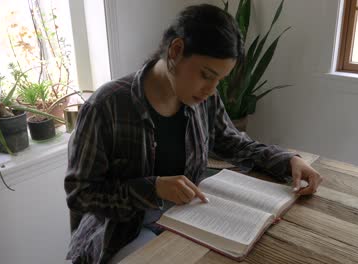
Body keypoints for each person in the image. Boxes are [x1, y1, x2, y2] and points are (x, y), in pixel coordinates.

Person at [64, 3, 322, 264]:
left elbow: (231, 142)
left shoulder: (203, 98)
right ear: (176, 51)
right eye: (206, 75)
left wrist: (287, 160)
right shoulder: (106, 106)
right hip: (121, 234)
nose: (211, 89)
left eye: (219, 79)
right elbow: (80, 194)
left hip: (186, 221)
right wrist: (153, 188)